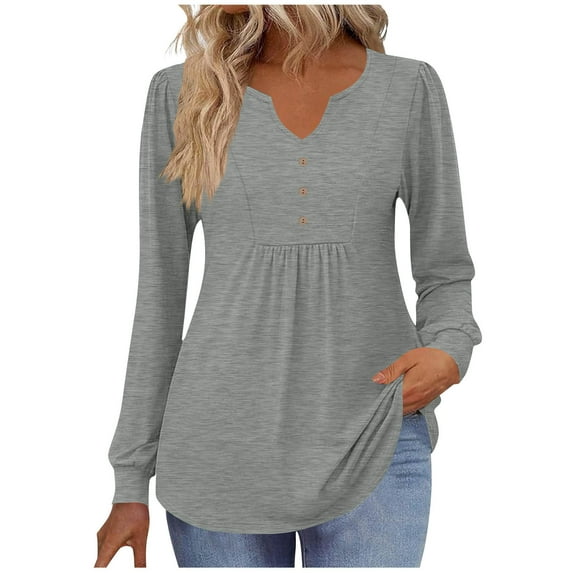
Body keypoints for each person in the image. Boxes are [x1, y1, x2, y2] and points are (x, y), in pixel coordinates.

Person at [95, 4, 482, 568]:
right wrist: (130, 478)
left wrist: (450, 349)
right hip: (217, 451)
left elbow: (445, 267)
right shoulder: (182, 93)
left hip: (374, 430)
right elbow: (158, 297)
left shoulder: (406, 88)